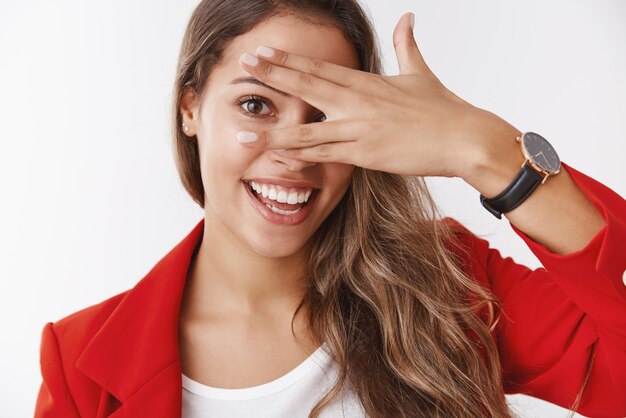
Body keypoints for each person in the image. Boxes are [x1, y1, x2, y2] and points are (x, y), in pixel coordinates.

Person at [34, 1, 626, 417]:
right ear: (191, 107)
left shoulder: (449, 282)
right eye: (256, 105)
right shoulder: (81, 361)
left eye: (323, 116)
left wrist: (487, 151)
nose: (294, 152)